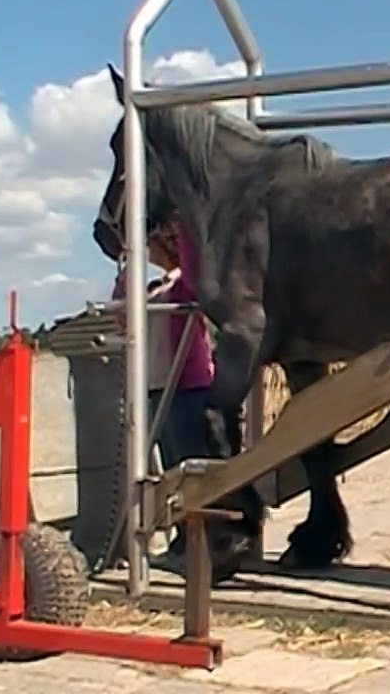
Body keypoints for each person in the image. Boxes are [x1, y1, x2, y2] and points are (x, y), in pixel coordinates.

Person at [110, 222, 249, 567]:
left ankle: (203, 541)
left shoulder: (182, 282)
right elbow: (121, 315)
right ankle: (185, 540)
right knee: (173, 468)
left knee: (190, 467)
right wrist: (127, 266)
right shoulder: (153, 288)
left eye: (154, 246)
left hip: (186, 385)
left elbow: (194, 275)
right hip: (158, 384)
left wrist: (183, 231)